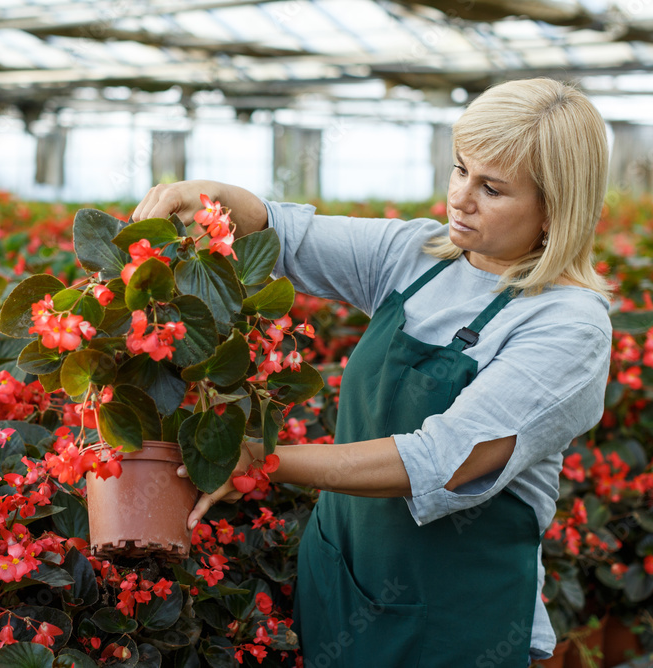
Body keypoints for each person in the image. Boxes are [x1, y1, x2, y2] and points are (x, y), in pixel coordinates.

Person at [131, 78, 612, 667]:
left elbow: (444, 459)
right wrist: (208, 194)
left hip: (455, 622)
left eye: (492, 188)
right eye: (460, 169)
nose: (461, 197)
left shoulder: (568, 326)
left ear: (555, 207)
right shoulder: (418, 255)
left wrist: (264, 460)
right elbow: (285, 234)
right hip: (343, 579)